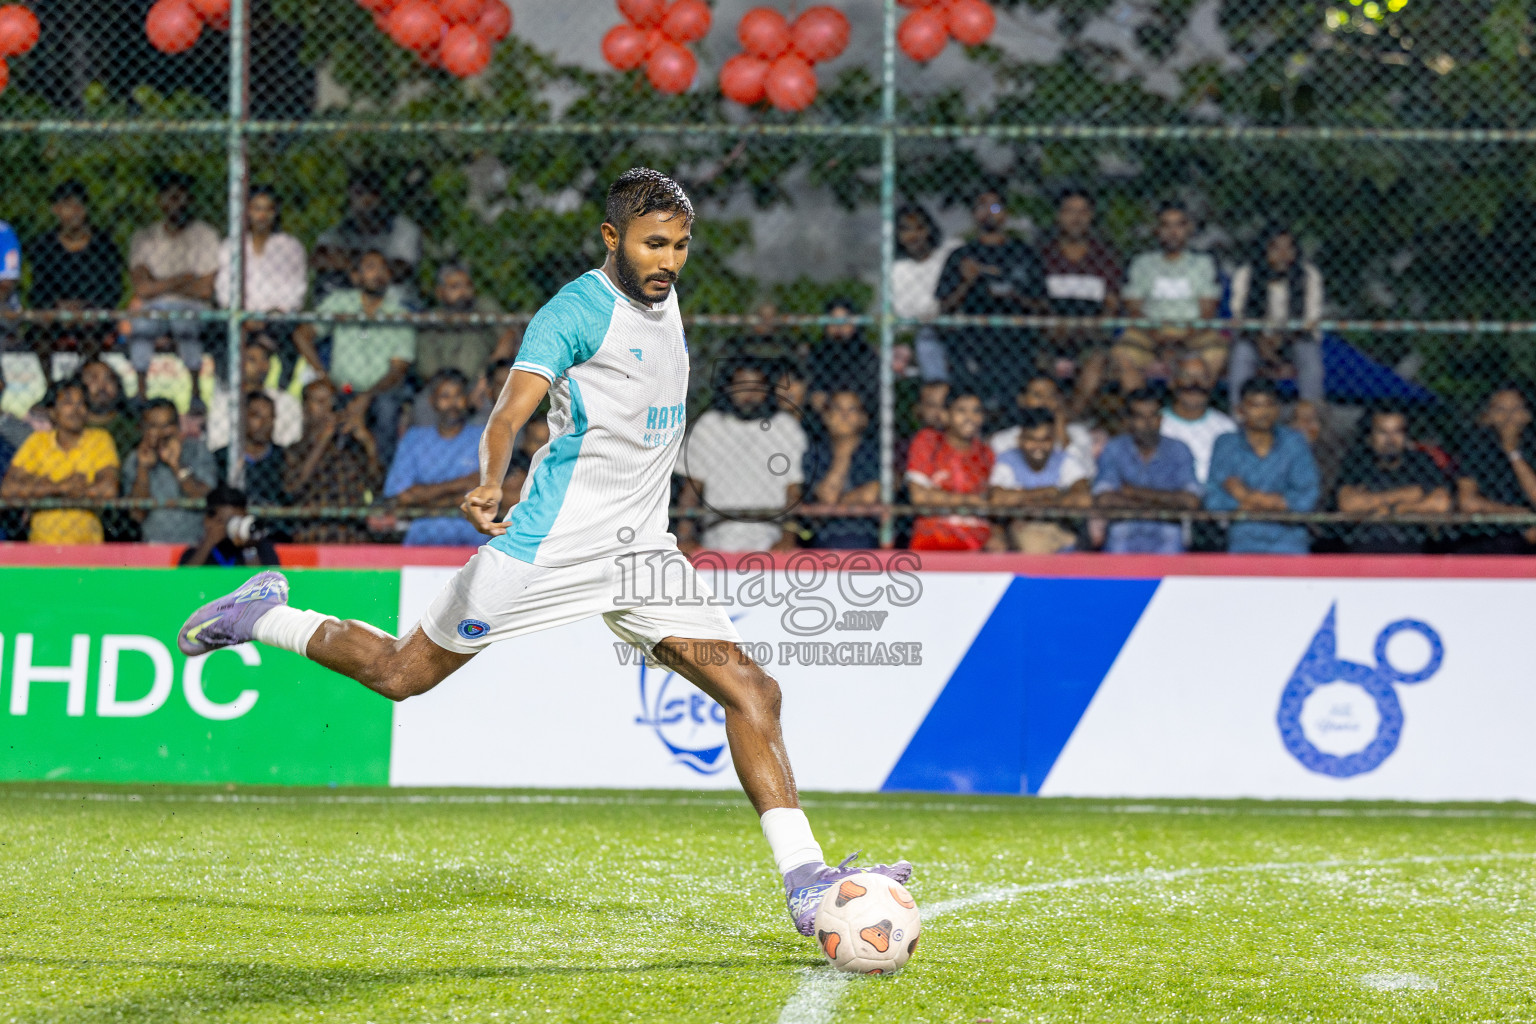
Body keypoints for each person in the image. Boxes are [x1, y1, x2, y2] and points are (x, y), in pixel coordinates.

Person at [176, 168, 911, 940]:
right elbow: (509, 411)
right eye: (653, 244)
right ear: (610, 238)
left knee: (754, 692)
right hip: (551, 544)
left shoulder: (664, 294)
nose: (668, 260)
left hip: (643, 554)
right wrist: (493, 481)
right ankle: (264, 614)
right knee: (401, 675)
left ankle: (804, 883)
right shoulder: (575, 310)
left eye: (682, 246)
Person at [293, 249, 416, 465]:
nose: (378, 274)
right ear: (355, 277)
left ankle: (383, 482)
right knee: (321, 400)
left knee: (387, 409)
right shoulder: (341, 302)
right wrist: (323, 375)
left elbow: (398, 368)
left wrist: (367, 397)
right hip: (344, 387)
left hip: (379, 392)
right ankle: (320, 473)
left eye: (384, 269)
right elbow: (303, 335)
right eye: (370, 268)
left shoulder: (399, 313)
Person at [934, 185, 1049, 405]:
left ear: (1005, 213)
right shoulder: (961, 255)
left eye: (995, 206)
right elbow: (945, 307)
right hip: (974, 341)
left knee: (1014, 400)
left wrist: (1015, 296)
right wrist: (967, 282)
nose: (988, 212)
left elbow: (1042, 305)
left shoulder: (1024, 253)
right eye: (981, 207)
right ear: (974, 214)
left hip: (1016, 341)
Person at [676, 362, 806, 552]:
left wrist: (788, 538)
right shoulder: (709, 426)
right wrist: (685, 537)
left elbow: (793, 491)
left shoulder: (785, 427)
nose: (749, 393)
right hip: (715, 539)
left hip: (770, 540)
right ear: (728, 388)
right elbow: (691, 490)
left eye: (757, 386)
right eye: (741, 384)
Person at [1117, 203, 1224, 391]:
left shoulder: (1203, 263)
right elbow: (1133, 309)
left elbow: (1207, 311)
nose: (1172, 232)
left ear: (1189, 229)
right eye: (1166, 225)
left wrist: (1181, 340)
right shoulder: (1142, 263)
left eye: (1179, 225)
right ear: (1157, 230)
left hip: (1192, 331)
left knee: (1217, 350)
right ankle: (1141, 408)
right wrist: (1158, 336)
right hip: (1150, 330)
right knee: (1122, 352)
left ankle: (1191, 403)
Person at [1205, 379, 1320, 553]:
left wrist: (1248, 497)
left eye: (1269, 405)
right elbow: (1213, 498)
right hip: (1243, 537)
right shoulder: (1226, 444)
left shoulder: (1295, 442)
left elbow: (1308, 495)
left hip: (1289, 539)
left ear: (1278, 409)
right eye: (1255, 405)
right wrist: (1275, 503)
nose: (1263, 412)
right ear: (1240, 410)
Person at [0, 377, 119, 544]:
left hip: (87, 544)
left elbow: (108, 489)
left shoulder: (99, 440)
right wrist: (62, 487)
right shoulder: (38, 442)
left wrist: (40, 488)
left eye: (82, 404)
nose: (76, 410)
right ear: (52, 412)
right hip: (42, 545)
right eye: (68, 403)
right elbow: (8, 489)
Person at [127, 170, 221, 374]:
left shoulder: (205, 235)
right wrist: (183, 279)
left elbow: (205, 290)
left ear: (190, 199)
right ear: (159, 201)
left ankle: (195, 389)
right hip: (154, 305)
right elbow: (142, 288)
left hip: (195, 306)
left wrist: (158, 284)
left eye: (180, 196)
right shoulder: (145, 237)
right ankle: (141, 390)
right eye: (169, 196)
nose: (175, 202)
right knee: (142, 322)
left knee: (182, 319)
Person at [1092, 389, 1201, 554]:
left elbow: (1191, 501)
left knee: (1172, 537)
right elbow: (1104, 499)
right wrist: (1165, 502)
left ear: (1161, 419)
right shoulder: (1114, 449)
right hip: (1124, 531)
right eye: (1140, 417)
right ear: (1128, 421)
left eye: (1153, 416)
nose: (1148, 423)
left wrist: (1134, 493)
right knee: (1118, 536)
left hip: (1167, 531)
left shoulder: (1179, 450)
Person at [385, 369, 486, 546]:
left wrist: (424, 496)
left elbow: (483, 495)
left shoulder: (484, 437)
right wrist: (460, 485)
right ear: (432, 401)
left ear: (467, 398)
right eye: (445, 396)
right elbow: (402, 497)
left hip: (472, 537)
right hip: (422, 537)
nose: (453, 404)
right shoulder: (414, 438)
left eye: (458, 396)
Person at [1039, 189, 1122, 400]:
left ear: (1091, 216)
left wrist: (1085, 328)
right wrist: (1051, 327)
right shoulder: (1043, 255)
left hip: (1090, 338)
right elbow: (1035, 303)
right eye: (1069, 211)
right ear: (1059, 216)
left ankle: (1071, 418)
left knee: (1096, 363)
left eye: (1083, 212)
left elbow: (1111, 305)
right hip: (1048, 338)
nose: (1076, 218)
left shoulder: (1104, 256)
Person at [1227, 225, 1324, 404]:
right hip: (1257, 339)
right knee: (1242, 355)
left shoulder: (1308, 275)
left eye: (1289, 248)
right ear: (1264, 250)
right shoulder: (1246, 274)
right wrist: (1262, 343)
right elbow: (1240, 317)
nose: (1283, 254)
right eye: (1275, 248)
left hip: (1296, 338)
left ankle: (1309, 415)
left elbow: (1311, 318)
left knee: (1310, 357)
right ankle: (1238, 416)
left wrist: (1283, 340)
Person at [1335, 406, 1450, 554]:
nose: (1390, 440)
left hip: (1412, 548)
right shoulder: (1358, 461)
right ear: (1370, 437)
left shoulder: (1420, 462)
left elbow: (1441, 503)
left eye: (1397, 431)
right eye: (1383, 432)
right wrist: (1408, 496)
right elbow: (1348, 503)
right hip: (1363, 549)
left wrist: (1398, 509)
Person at [283, 379, 382, 544]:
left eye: (330, 401)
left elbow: (377, 486)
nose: (326, 407)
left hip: (351, 536)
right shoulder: (296, 450)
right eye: (318, 401)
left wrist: (369, 444)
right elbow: (293, 487)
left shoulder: (352, 448)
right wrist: (323, 439)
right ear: (305, 408)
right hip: (313, 535)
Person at [989, 406, 1091, 553]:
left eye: (1045, 440)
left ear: (1053, 439)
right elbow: (997, 499)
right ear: (1020, 439)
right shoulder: (1007, 461)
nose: (1039, 447)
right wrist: (1047, 492)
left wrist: (1024, 502)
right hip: (1020, 528)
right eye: (1032, 440)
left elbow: (1083, 499)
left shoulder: (1064, 460)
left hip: (1057, 527)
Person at [312, 169, 423, 299]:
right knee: (328, 284)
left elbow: (402, 269)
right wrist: (373, 266)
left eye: (373, 193)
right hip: (350, 298)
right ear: (350, 196)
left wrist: (350, 263)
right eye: (359, 193)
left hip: (392, 302)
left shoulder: (404, 229)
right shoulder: (339, 231)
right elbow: (318, 259)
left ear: (382, 197)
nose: (366, 199)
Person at [907, 389, 994, 550]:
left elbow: (993, 499)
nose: (970, 418)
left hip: (976, 539)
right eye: (961, 410)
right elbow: (919, 497)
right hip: (934, 537)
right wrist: (968, 501)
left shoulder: (986, 453)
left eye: (976, 411)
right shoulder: (928, 442)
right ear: (945, 415)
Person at [123, 398, 218, 546]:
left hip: (194, 544)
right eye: (153, 426)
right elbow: (138, 514)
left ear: (178, 427)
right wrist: (143, 468)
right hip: (152, 545)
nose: (161, 433)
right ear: (143, 429)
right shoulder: (135, 458)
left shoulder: (196, 450)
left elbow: (203, 500)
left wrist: (176, 465)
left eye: (167, 425)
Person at [214, 185, 308, 335]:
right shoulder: (231, 245)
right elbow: (224, 289)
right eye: (256, 209)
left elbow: (295, 292)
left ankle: (256, 353)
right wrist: (244, 315)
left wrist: (272, 314)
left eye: (268, 209)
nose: (262, 216)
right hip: (239, 317)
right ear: (247, 211)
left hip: (277, 320)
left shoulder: (291, 247)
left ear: (275, 212)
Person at [1455, 386, 1536, 553]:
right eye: (1500, 410)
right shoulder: (1476, 446)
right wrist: (1520, 515)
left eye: (1515, 409)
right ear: (1487, 417)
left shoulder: (1531, 444)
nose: (1508, 417)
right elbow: (1468, 502)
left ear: (1527, 416)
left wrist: (1512, 452)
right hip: (1487, 533)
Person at [27, 180, 125, 315]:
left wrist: (84, 307)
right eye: (68, 204)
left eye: (80, 204)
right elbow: (39, 291)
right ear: (56, 209)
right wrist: (59, 306)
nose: (76, 210)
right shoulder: (44, 245)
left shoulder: (103, 244)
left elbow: (112, 290)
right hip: (56, 318)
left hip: (94, 318)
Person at [414, 264, 519, 385]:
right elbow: (427, 369)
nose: (463, 292)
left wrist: (484, 377)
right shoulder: (432, 320)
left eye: (468, 285)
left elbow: (508, 338)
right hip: (442, 389)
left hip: (481, 385)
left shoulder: (483, 307)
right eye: (455, 287)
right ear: (439, 292)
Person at [801, 389, 881, 549]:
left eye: (852, 409)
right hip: (825, 537)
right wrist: (844, 453)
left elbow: (870, 495)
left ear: (863, 419)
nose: (844, 415)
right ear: (826, 417)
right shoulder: (815, 454)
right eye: (838, 409)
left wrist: (830, 508)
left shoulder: (873, 452)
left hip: (865, 536)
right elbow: (827, 496)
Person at [891, 203, 958, 382]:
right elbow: (906, 314)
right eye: (906, 230)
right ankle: (938, 387)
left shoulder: (950, 252)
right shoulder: (899, 270)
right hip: (929, 330)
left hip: (959, 322)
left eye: (919, 228)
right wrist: (935, 309)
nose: (914, 236)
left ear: (929, 229)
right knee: (925, 341)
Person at [203, 334, 303, 452]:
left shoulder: (286, 402)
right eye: (250, 360)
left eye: (263, 360)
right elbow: (217, 442)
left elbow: (290, 443)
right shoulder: (222, 402)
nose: (259, 365)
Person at [990, 375, 1096, 479]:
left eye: (1051, 396)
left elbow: (1086, 475)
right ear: (1022, 400)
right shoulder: (1003, 440)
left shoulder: (1077, 433)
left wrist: (1062, 433)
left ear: (1059, 400)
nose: (1046, 401)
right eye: (1038, 395)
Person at [1160, 355, 1237, 486]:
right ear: (1172, 382)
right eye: (1187, 376)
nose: (1195, 384)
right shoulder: (1156, 424)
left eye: (1202, 377)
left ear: (1212, 383)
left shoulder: (1226, 427)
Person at [214, 392, 289, 509]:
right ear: (242, 418)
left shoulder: (283, 457)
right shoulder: (222, 457)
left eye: (270, 417)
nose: (265, 424)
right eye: (257, 416)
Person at [807, 297, 878, 417]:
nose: (839, 327)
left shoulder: (865, 353)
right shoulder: (817, 354)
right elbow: (814, 391)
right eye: (834, 321)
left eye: (844, 321)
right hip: (824, 416)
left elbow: (869, 392)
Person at [178, 485, 281, 567]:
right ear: (208, 521)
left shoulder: (260, 548)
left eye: (239, 521)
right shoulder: (195, 552)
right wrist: (208, 544)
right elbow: (183, 583)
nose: (234, 526)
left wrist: (249, 549)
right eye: (227, 521)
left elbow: (269, 586)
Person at [79, 357, 139, 459]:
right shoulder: (71, 427)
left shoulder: (130, 427)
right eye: (93, 378)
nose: (102, 386)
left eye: (109, 379)